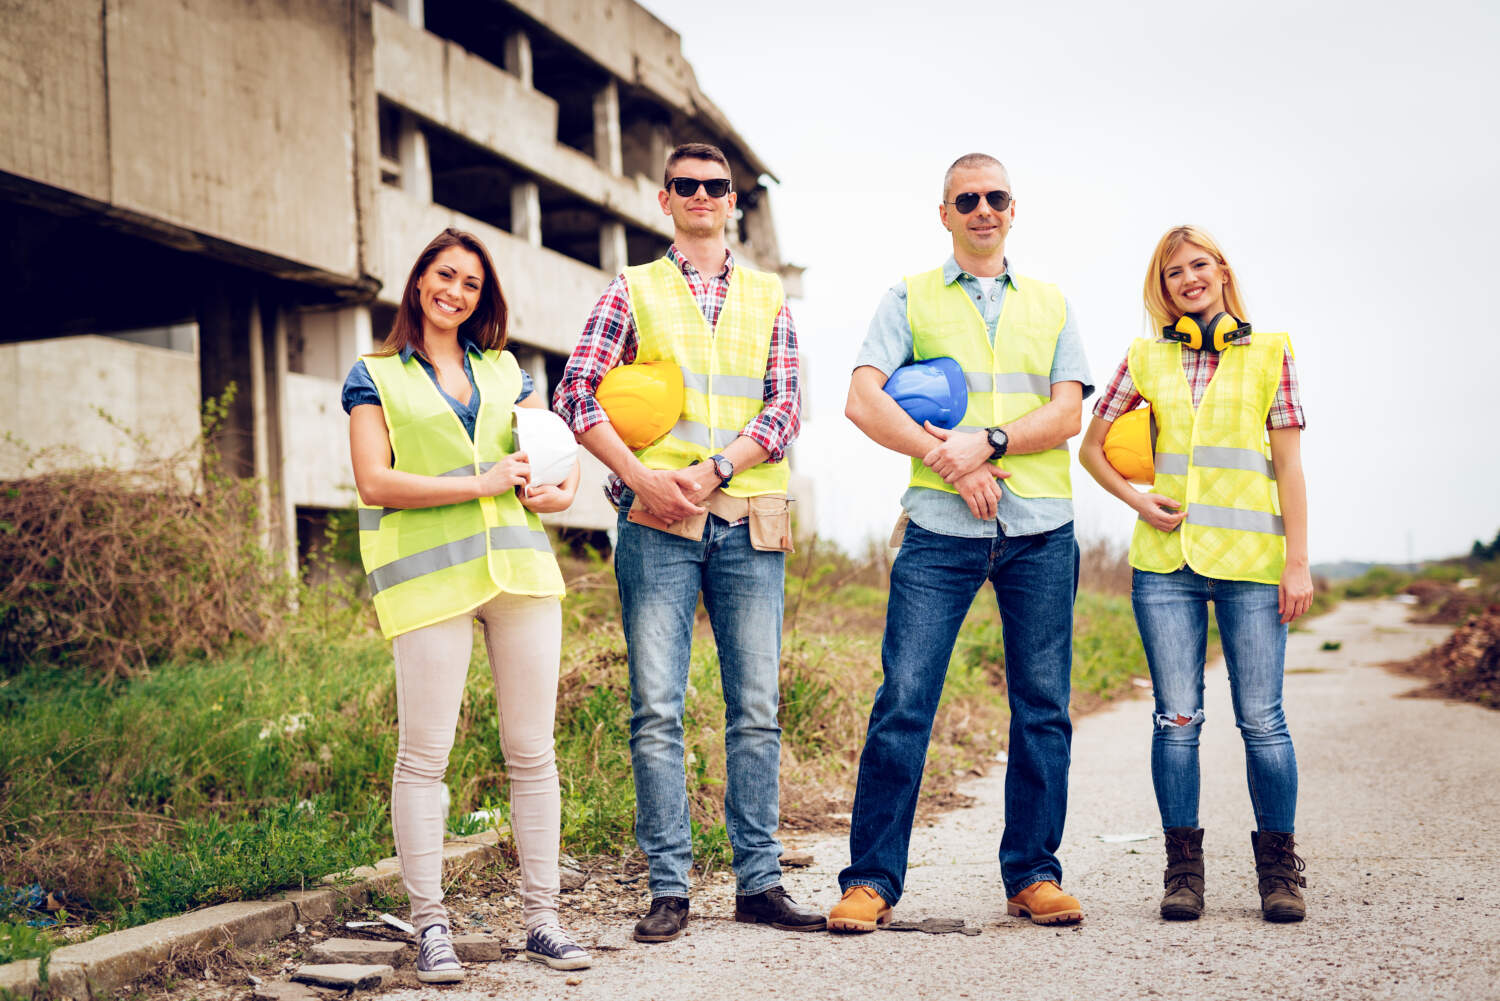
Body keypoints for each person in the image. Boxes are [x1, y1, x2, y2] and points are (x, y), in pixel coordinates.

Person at [552, 142, 822, 942]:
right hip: (655, 524)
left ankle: (759, 883)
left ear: (732, 201)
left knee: (758, 709)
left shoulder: (770, 294)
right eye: (687, 185)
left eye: (716, 186)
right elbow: (575, 391)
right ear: (664, 198)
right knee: (657, 709)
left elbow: (784, 408)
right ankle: (669, 886)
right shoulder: (632, 288)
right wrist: (640, 477)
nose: (703, 195)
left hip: (746, 517)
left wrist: (712, 469)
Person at [831, 153, 1092, 932]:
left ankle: (1033, 876)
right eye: (966, 199)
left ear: (1015, 210)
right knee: (904, 702)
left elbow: (1068, 411)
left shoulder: (1049, 302)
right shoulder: (907, 296)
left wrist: (991, 441)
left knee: (1042, 707)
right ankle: (871, 880)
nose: (983, 209)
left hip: (1040, 530)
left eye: (996, 197)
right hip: (940, 531)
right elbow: (860, 399)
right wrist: (947, 456)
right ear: (944, 214)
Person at [343, 228, 591, 982]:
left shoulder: (505, 368)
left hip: (519, 575)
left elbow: (551, 458)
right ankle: (430, 928)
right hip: (429, 583)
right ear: (419, 281)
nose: (456, 292)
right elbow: (374, 482)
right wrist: (478, 484)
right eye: (445, 276)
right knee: (424, 757)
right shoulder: (374, 374)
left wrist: (561, 489)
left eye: (471, 284)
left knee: (532, 752)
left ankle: (543, 920)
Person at [1077, 225, 1312, 923]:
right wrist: (1135, 498)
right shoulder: (1144, 357)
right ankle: (1183, 871)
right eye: (1174, 271)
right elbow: (1093, 449)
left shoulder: (1272, 351)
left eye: (1199, 264)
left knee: (1262, 720)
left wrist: (1297, 561)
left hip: (1253, 563)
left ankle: (1280, 871)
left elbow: (1290, 466)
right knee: (1176, 718)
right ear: (1164, 287)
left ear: (1222, 271)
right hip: (1166, 563)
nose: (1189, 277)